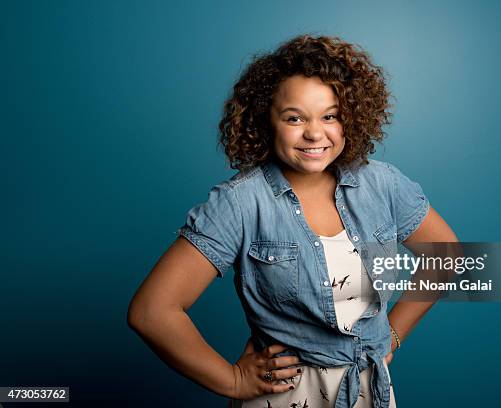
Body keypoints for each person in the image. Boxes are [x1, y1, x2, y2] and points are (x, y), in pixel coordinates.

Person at [128, 34, 458, 408]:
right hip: (283, 397)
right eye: (295, 118)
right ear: (265, 119)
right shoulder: (240, 203)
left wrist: (392, 336)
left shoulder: (382, 184)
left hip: (368, 392)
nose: (315, 133)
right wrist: (233, 379)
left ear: (351, 117)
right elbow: (151, 312)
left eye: (330, 115)